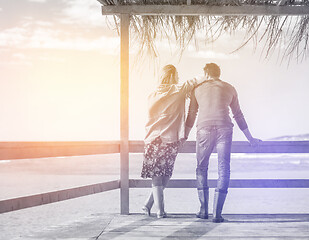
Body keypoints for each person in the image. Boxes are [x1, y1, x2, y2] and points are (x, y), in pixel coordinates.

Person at [185, 63, 261, 223]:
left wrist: (184, 136)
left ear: (206, 73)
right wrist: (250, 138)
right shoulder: (230, 88)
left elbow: (192, 113)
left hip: (204, 129)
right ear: (218, 74)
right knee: (224, 169)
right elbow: (238, 115)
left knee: (201, 168)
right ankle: (217, 214)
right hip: (225, 128)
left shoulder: (197, 88)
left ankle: (204, 210)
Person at [141, 64, 206, 218]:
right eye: (177, 74)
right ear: (173, 75)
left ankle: (148, 205)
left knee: (162, 175)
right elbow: (199, 79)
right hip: (168, 139)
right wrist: (208, 74)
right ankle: (160, 211)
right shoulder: (179, 89)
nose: (178, 77)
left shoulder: (152, 95)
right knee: (162, 175)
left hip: (152, 139)